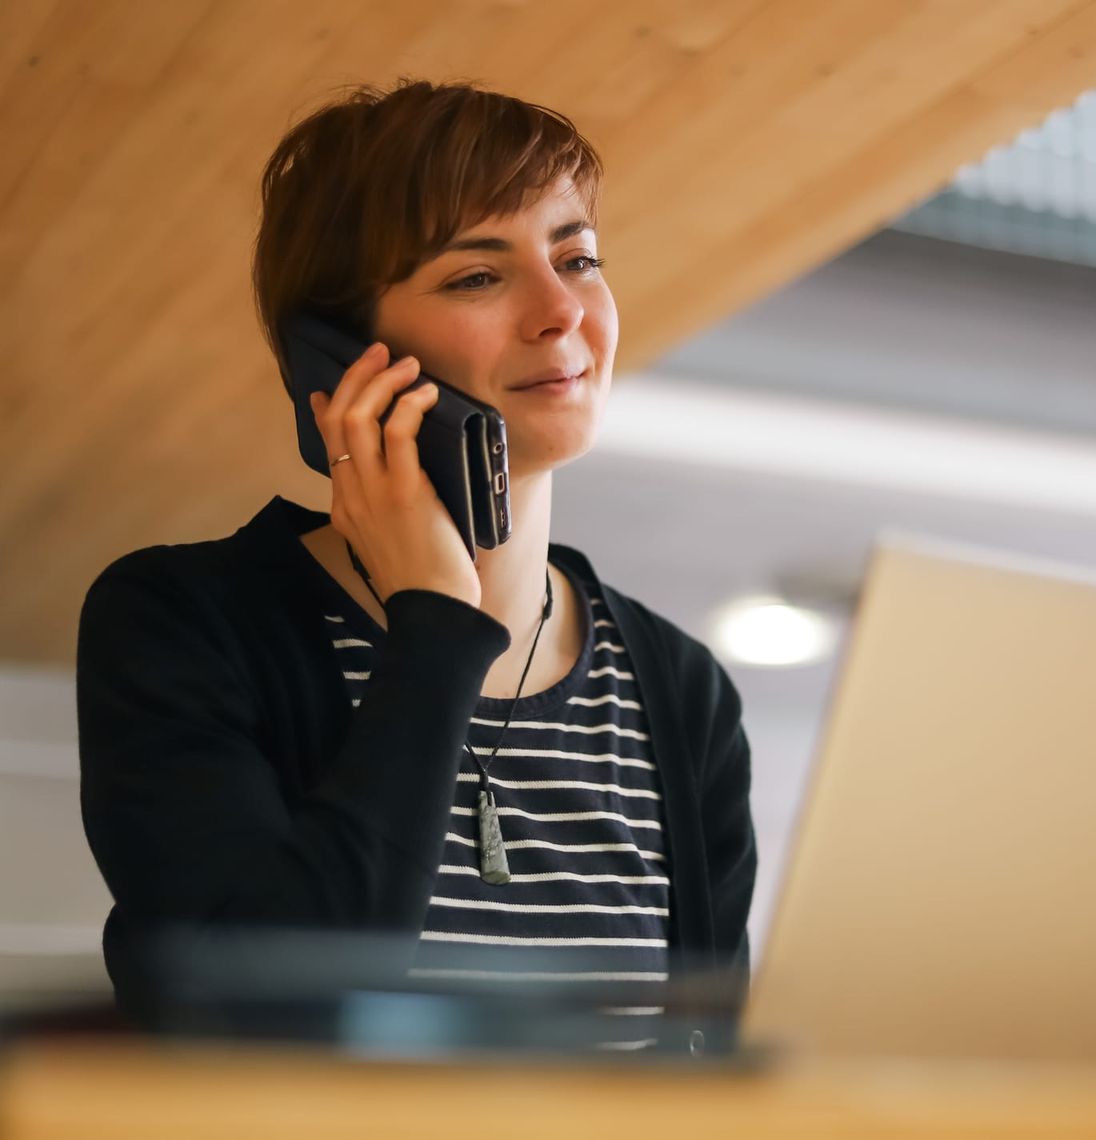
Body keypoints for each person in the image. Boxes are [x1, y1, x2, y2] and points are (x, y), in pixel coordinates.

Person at [75, 79, 756, 1053]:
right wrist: (436, 630)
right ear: (341, 359)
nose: (561, 309)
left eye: (578, 257)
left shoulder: (681, 692)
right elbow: (267, 1018)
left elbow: (712, 1072)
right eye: (477, 276)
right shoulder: (182, 623)